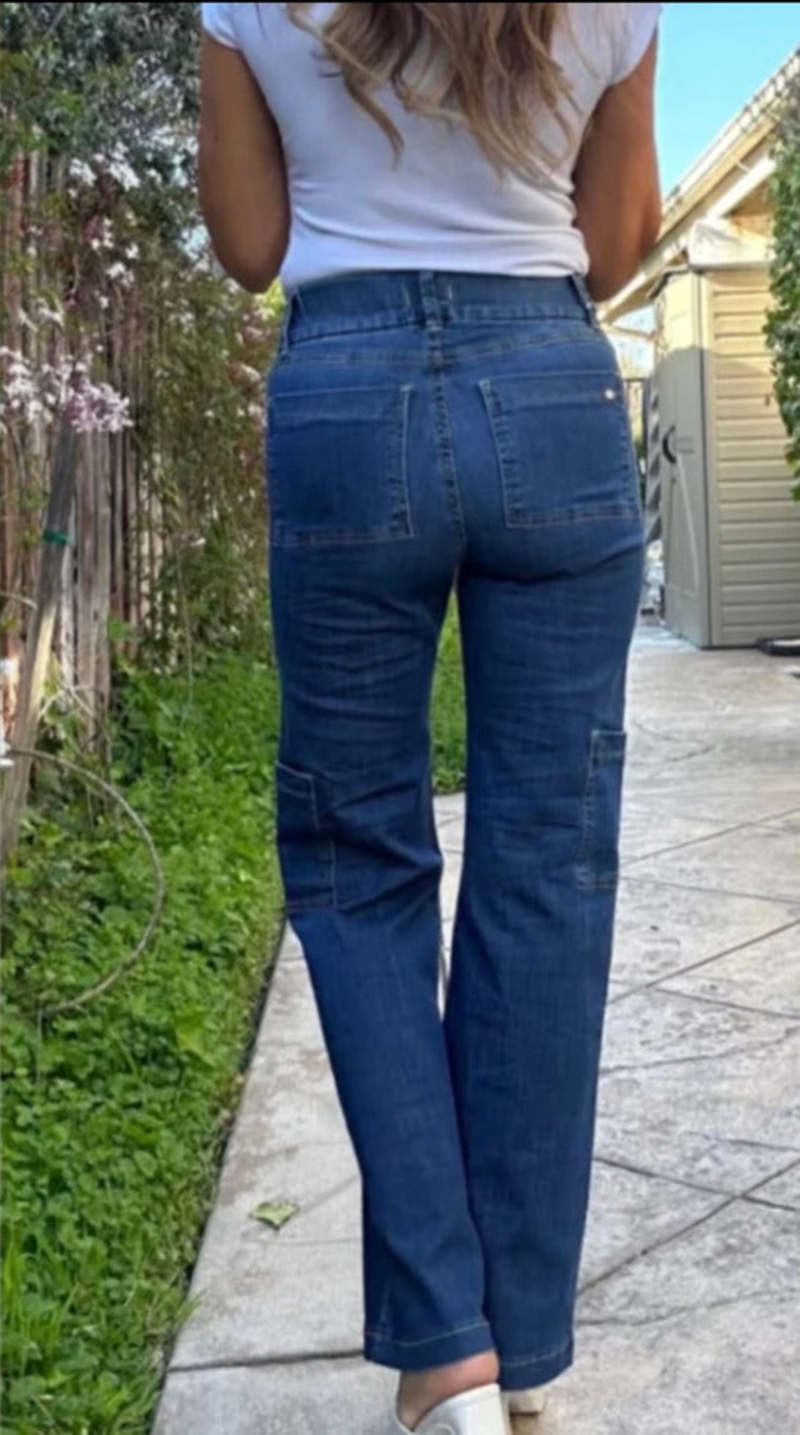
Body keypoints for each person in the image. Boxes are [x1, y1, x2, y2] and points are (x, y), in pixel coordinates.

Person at [197, 4, 662, 1431]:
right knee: (548, 866)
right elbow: (617, 242)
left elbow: (249, 245)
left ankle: (446, 1347)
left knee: (357, 859)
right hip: (552, 395)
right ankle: (514, 1352)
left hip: (348, 400)